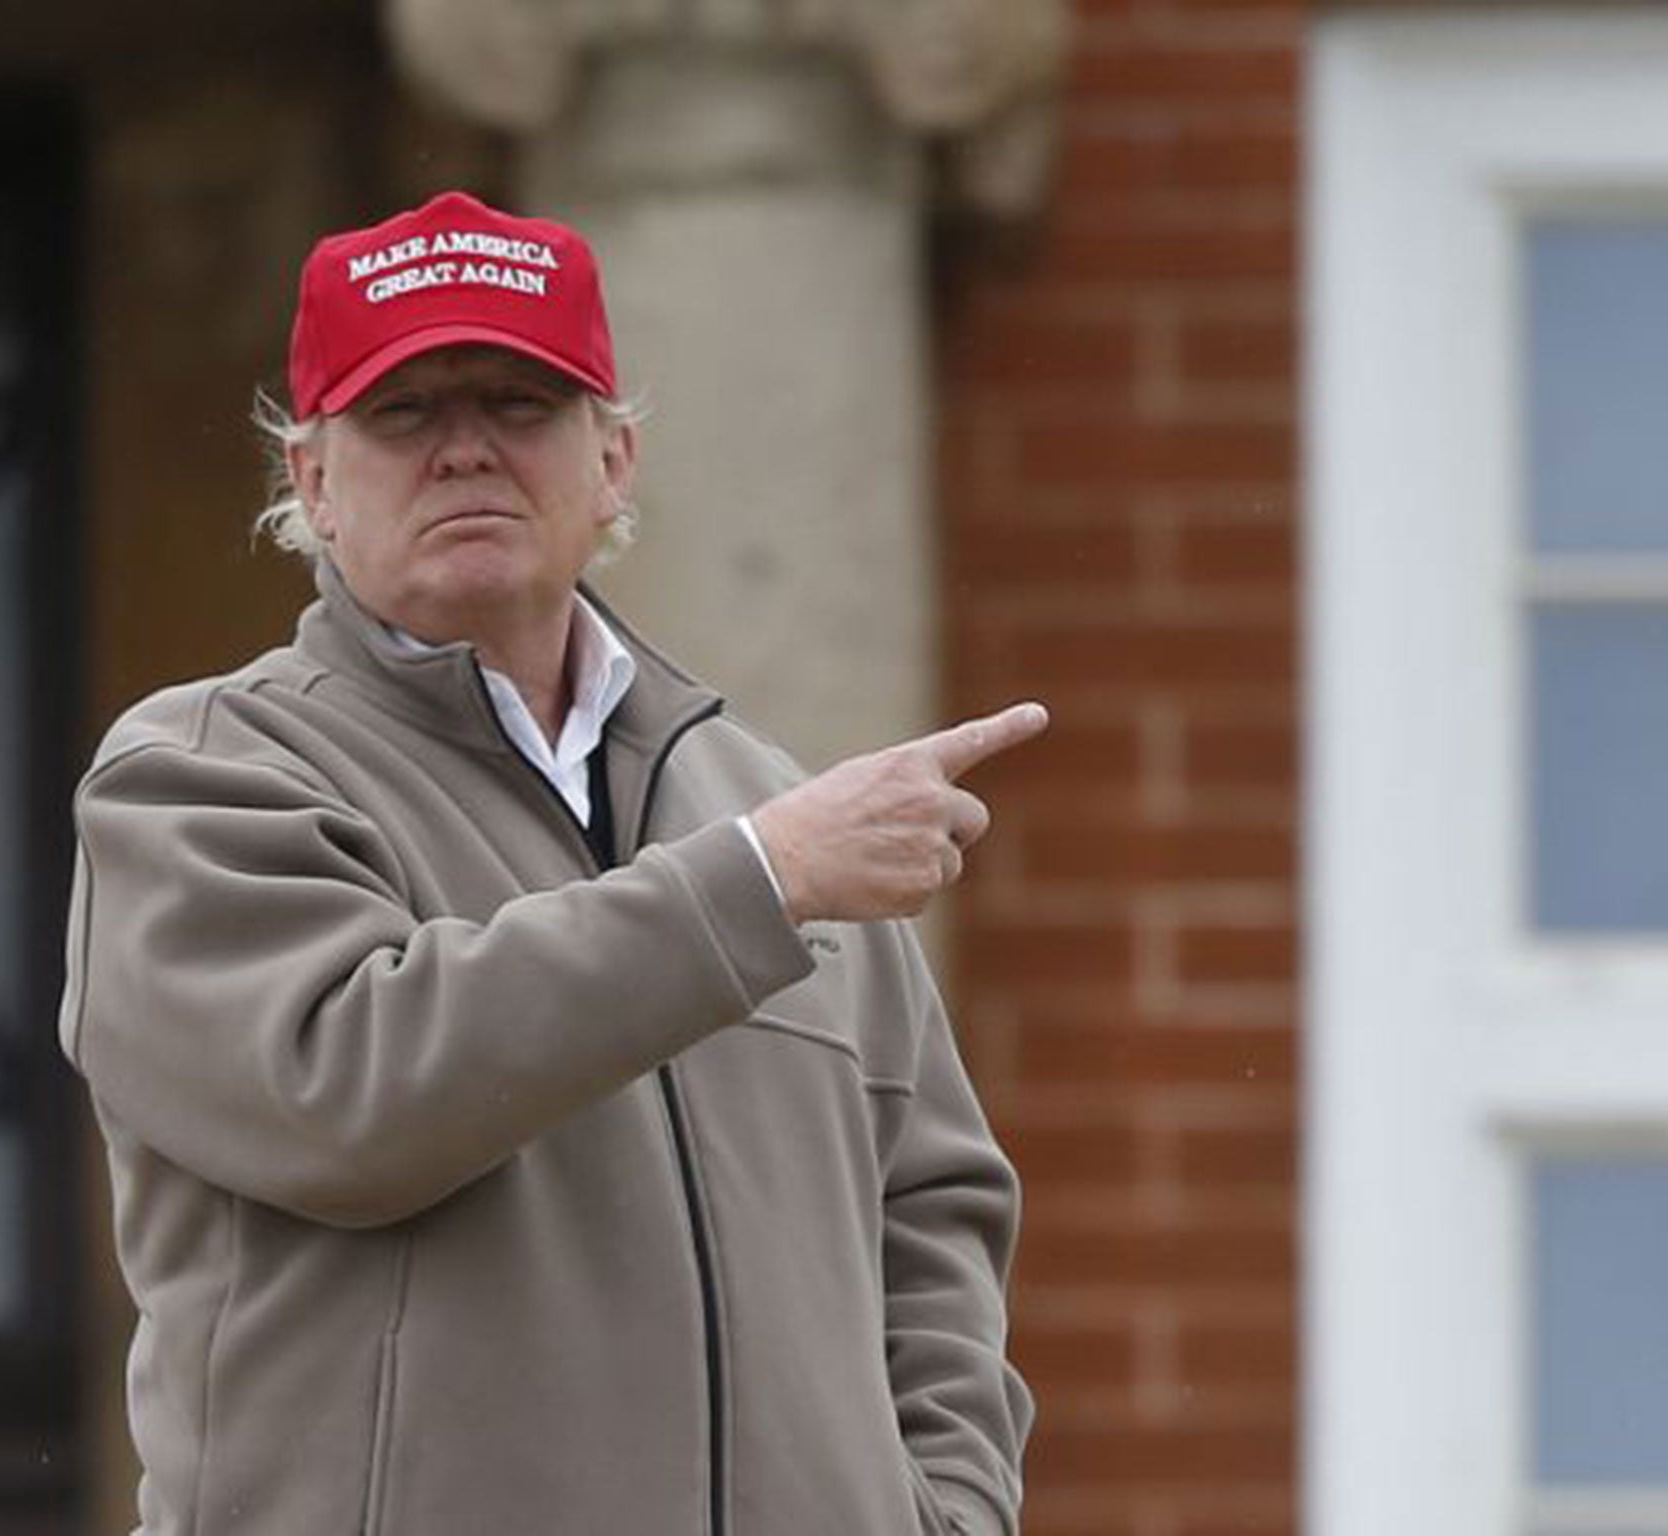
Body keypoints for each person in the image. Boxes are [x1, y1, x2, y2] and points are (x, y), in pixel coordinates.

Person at [59, 189, 1042, 1536]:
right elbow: (351, 1094)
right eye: (403, 414)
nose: (466, 450)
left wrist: (948, 1510)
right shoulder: (199, 779)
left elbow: (929, 1205)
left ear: (615, 460)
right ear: (312, 482)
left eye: (521, 405)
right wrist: (754, 885)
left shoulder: (765, 802)